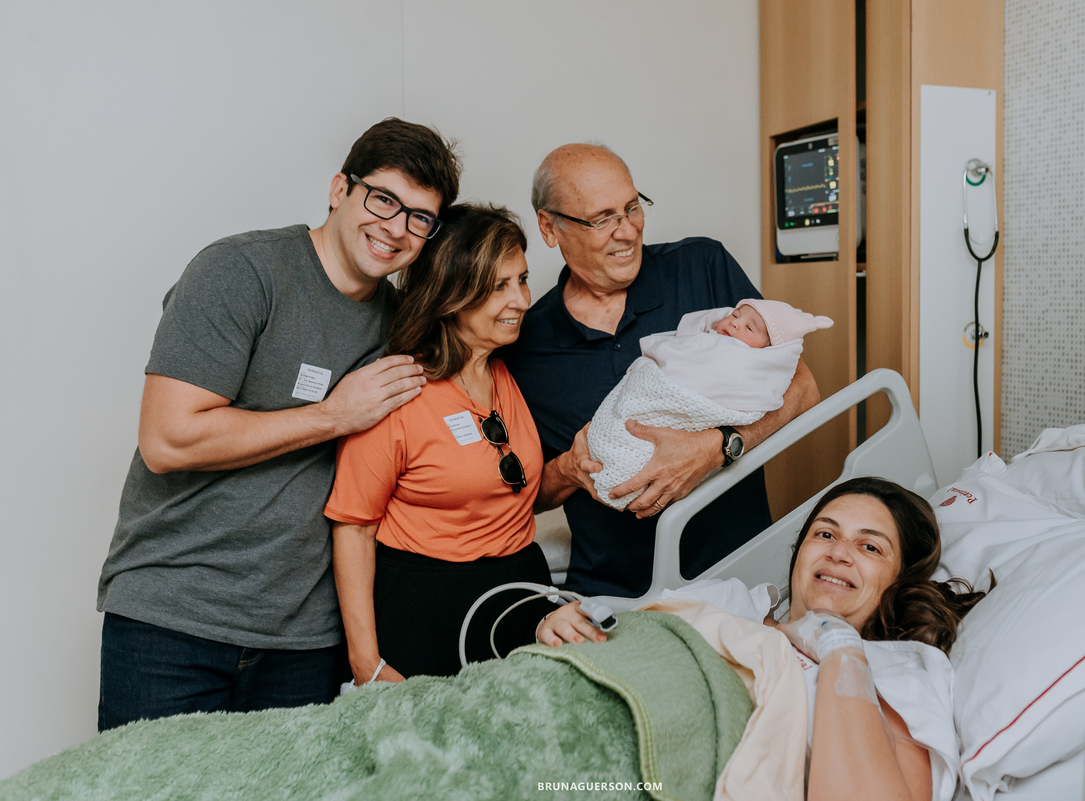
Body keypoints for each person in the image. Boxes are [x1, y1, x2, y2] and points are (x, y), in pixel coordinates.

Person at [95, 118, 460, 730]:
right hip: (174, 619)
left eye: (419, 217)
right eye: (384, 200)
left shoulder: (400, 324)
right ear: (339, 190)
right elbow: (167, 439)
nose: (396, 229)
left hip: (304, 638)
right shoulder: (240, 271)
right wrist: (333, 416)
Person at [538, 475, 989, 800]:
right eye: (825, 533)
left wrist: (837, 644)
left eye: (869, 547)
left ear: (899, 579)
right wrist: (563, 631)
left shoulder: (900, 669)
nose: (838, 553)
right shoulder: (730, 603)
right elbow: (624, 644)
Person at [503, 143, 822, 598]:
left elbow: (803, 388)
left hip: (737, 577)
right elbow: (524, 494)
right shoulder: (525, 343)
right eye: (603, 218)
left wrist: (717, 447)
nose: (628, 230)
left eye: (632, 207)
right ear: (550, 228)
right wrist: (569, 470)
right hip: (613, 595)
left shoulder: (702, 269)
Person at [325, 204, 555, 684]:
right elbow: (353, 529)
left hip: (521, 595)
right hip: (425, 611)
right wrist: (367, 663)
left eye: (522, 280)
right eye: (498, 287)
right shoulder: (398, 391)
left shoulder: (504, 371)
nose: (521, 300)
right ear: (452, 296)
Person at [588, 299, 833, 509]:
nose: (736, 322)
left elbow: (806, 392)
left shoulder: (752, 365)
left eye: (749, 327)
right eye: (735, 315)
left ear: (767, 351)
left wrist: (714, 445)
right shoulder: (705, 338)